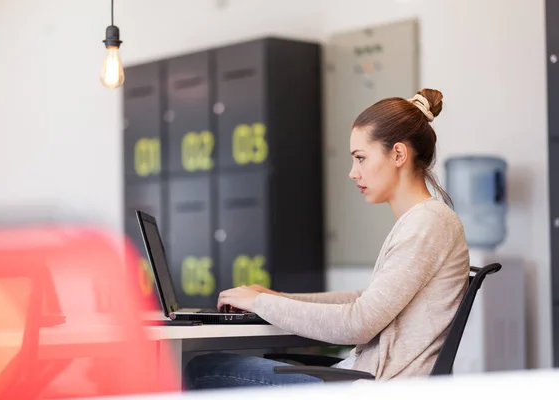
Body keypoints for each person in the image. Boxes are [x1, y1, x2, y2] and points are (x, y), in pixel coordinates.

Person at [183, 88, 470, 389]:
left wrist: (261, 303)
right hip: (365, 377)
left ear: (398, 154)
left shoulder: (427, 223)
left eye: (360, 158)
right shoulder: (421, 221)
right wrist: (276, 298)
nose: (352, 172)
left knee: (204, 368)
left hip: (374, 387)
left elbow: (358, 323)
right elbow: (365, 301)